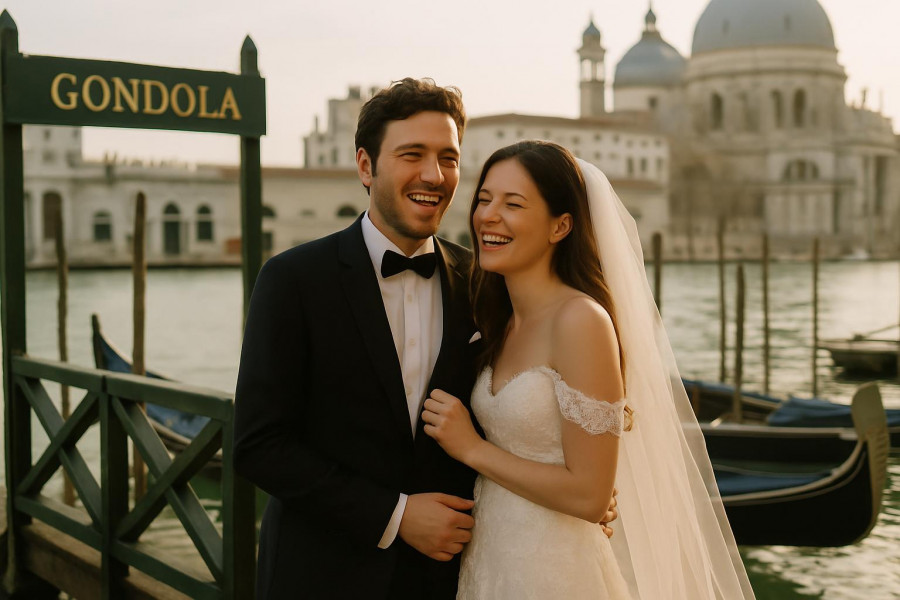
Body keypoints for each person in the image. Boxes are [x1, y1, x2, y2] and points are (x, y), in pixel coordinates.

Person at [233, 79, 618, 599]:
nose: (433, 176)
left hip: (450, 577)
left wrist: (582, 492)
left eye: (449, 158)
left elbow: (537, 410)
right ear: (366, 167)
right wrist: (396, 516)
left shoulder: (484, 284)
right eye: (412, 154)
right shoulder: (293, 280)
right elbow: (259, 445)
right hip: (322, 576)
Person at [422, 141, 756, 599]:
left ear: (561, 226)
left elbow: (590, 496)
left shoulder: (581, 320)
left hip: (554, 570)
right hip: (491, 558)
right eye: (484, 199)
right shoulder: (494, 316)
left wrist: (472, 448)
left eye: (513, 203)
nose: (488, 216)